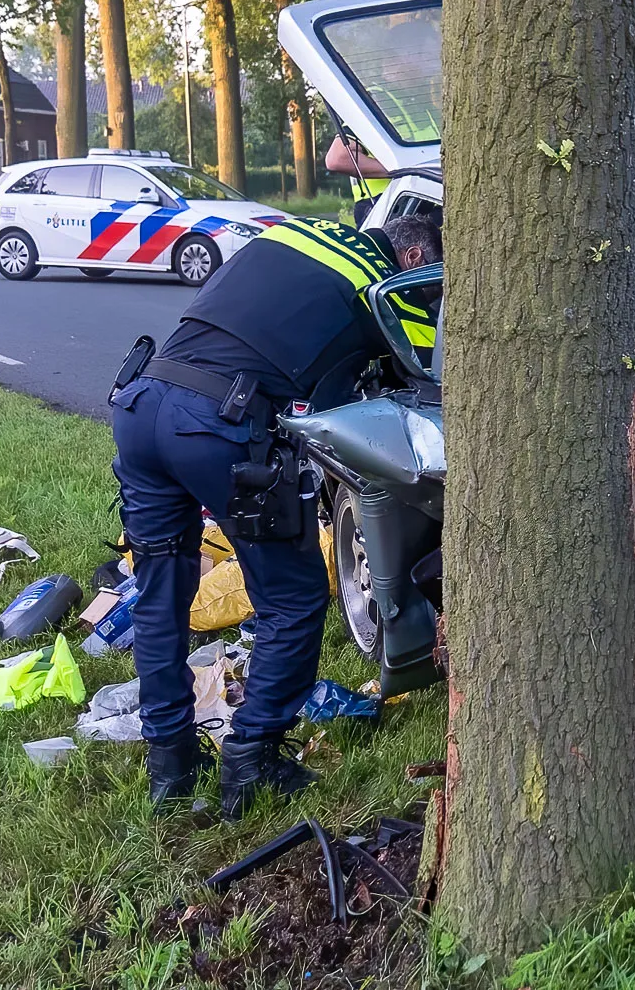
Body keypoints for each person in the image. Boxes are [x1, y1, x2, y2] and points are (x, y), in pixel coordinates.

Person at [110, 213, 442, 816]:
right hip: (217, 424)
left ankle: (171, 766)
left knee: (160, 593)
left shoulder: (293, 234)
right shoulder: (388, 285)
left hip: (142, 404)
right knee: (292, 596)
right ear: (416, 257)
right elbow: (432, 376)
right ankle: (253, 755)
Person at [325, 135, 393, 225]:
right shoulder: (371, 122)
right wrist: (404, 169)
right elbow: (337, 158)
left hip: (385, 200)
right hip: (381, 202)